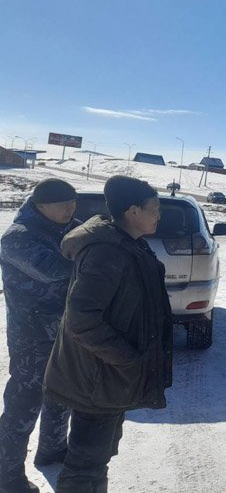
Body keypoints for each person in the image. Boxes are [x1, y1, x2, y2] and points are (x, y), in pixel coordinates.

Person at [43, 176, 173, 493]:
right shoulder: (107, 252)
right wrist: (128, 359)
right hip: (97, 381)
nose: (159, 215)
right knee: (83, 468)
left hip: (107, 380)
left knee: (96, 460)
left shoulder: (127, 244)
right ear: (132, 211)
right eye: (154, 209)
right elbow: (81, 320)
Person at [0, 179, 79, 493]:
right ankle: (7, 476)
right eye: (63, 204)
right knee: (23, 407)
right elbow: (53, 268)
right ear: (40, 205)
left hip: (65, 331)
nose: (70, 209)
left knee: (61, 396)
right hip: (31, 338)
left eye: (73, 203)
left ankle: (52, 449)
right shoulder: (17, 237)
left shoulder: (70, 228)